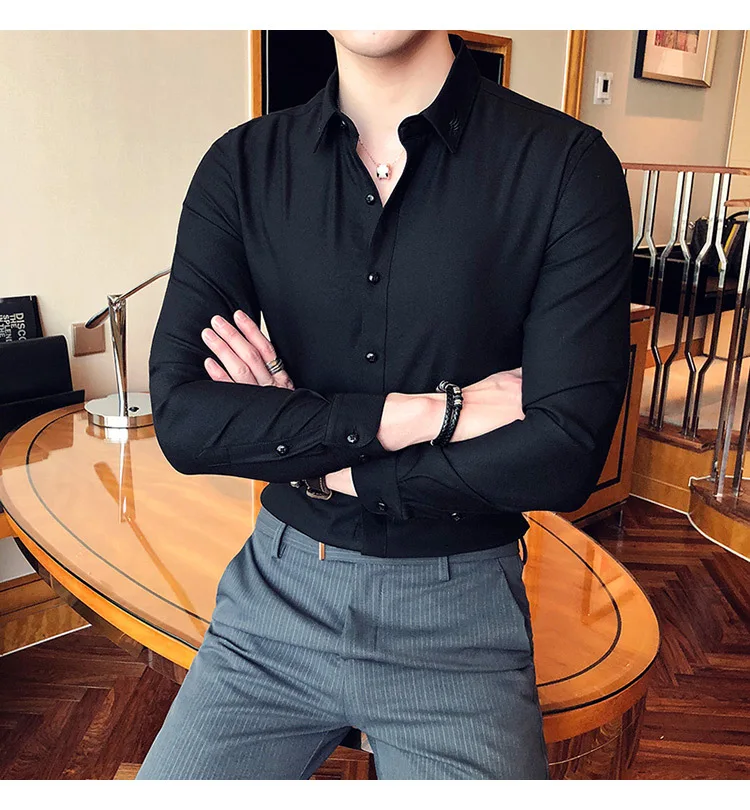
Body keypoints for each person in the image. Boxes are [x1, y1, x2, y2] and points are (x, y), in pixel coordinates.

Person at [137, 30, 633, 780]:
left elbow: (563, 454)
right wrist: (438, 412)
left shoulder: (565, 164)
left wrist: (319, 457)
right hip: (273, 600)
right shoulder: (241, 166)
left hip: (460, 618)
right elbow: (185, 420)